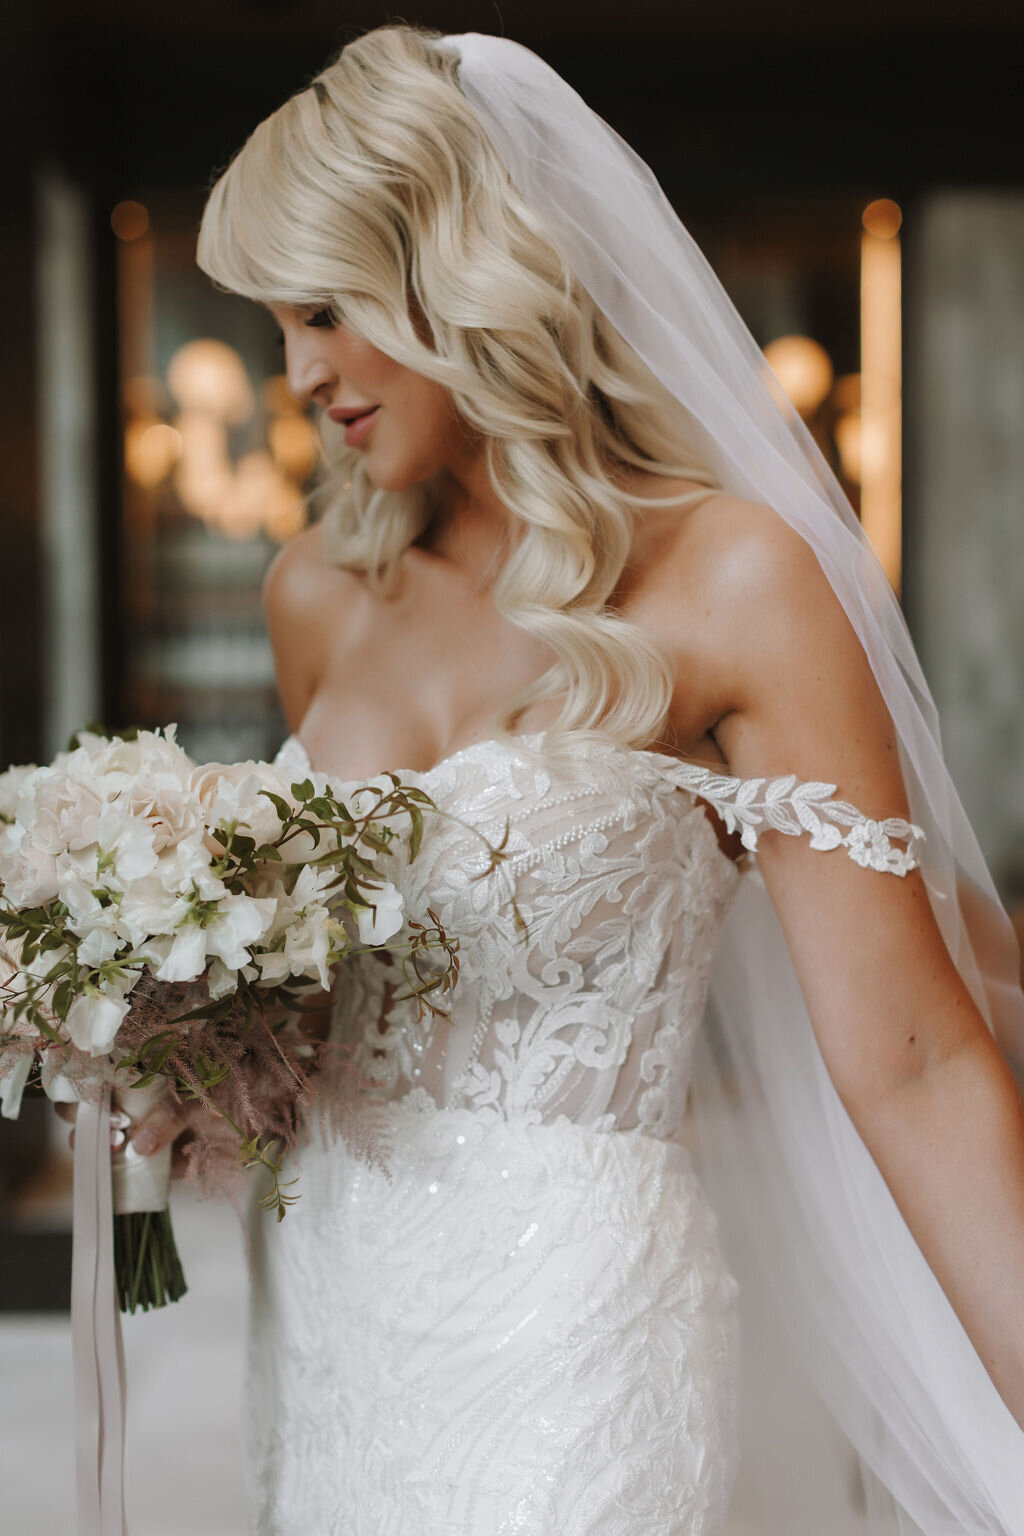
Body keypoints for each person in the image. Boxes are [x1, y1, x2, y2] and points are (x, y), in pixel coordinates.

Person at [123, 23, 1024, 1534]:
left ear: (454, 276)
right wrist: (178, 1025)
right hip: (339, 1324)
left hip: (580, 1339)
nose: (299, 373)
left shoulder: (734, 582)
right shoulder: (314, 592)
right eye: (278, 321)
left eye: (330, 307)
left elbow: (918, 1063)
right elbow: (353, 1009)